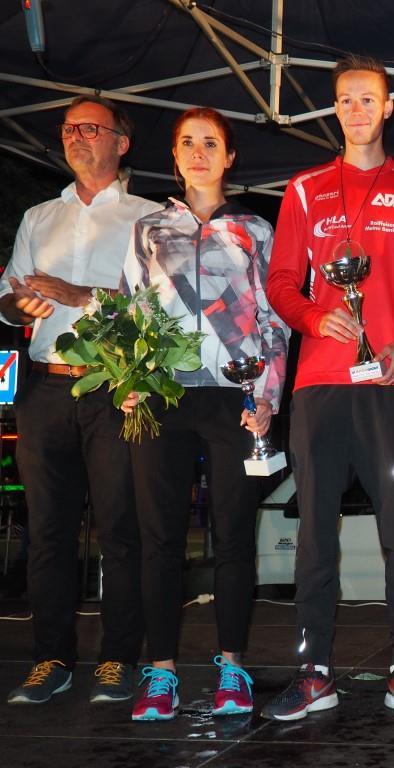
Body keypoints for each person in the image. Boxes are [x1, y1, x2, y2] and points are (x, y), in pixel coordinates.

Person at [262, 53, 394, 722]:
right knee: (315, 535)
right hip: (320, 386)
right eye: (346, 100)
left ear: (388, 107)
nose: (357, 110)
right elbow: (282, 282)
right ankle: (314, 673)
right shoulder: (305, 188)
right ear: (334, 109)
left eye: (369, 99)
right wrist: (314, 317)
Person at [120, 107, 288, 721]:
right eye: (187, 143)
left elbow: (275, 320)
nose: (198, 152)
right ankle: (160, 672)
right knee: (159, 538)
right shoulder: (147, 228)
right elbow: (131, 311)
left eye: (210, 143)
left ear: (229, 156)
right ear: (174, 156)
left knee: (234, 537)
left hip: (233, 399)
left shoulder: (254, 230)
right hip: (162, 396)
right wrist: (129, 379)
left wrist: (266, 395)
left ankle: (232, 668)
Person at [2, 96, 160, 705]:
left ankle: (119, 658)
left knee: (121, 530)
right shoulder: (39, 216)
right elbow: (7, 295)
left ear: (122, 141)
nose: (76, 136)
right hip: (45, 386)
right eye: (69, 128)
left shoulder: (150, 218)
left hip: (117, 386)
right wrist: (18, 307)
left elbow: (159, 307)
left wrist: (80, 294)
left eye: (91, 128)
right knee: (47, 532)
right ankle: (51, 659)